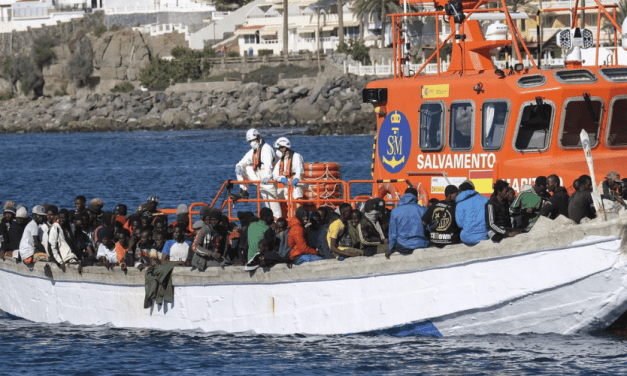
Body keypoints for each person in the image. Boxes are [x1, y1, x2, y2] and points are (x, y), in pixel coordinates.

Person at [231, 128, 281, 218]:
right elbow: (243, 161)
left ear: (258, 138)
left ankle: (277, 222)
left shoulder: (266, 149)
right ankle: (243, 191)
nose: (252, 142)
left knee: (273, 205)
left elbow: (268, 165)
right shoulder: (254, 151)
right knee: (241, 167)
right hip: (259, 177)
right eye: (250, 141)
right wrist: (238, 167)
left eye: (253, 140)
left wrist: (267, 177)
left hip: (268, 180)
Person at [388, 187, 429, 256]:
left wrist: (391, 248)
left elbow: (393, 234)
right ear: (416, 197)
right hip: (421, 244)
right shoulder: (423, 210)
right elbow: (428, 229)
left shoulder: (395, 211)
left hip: (403, 246)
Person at [273, 137, 305, 206]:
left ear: (284, 148)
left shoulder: (296, 156)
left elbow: (299, 169)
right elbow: (275, 174)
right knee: (289, 201)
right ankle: (291, 215)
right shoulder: (281, 160)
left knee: (297, 196)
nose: (277, 151)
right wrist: (281, 178)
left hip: (297, 182)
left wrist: (296, 178)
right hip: (287, 183)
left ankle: (299, 213)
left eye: (278, 149)